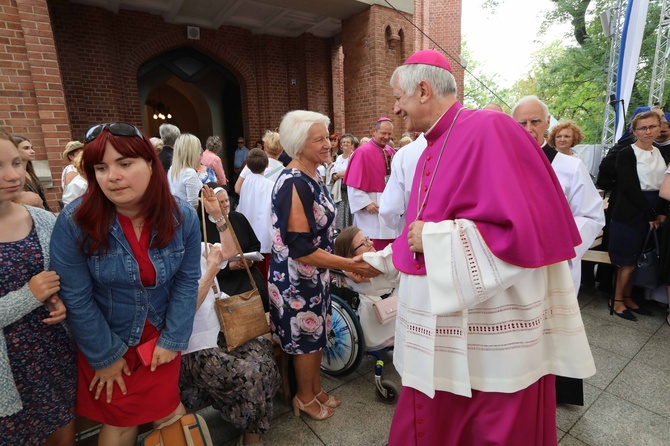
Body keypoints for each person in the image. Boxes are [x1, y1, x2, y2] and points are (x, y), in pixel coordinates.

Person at [361, 49, 594, 445]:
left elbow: (527, 228)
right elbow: (420, 227)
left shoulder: (492, 128)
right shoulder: (425, 150)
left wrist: (435, 239)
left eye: (398, 98)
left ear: (422, 90)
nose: (396, 110)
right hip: (444, 330)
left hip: (483, 338)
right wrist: (380, 260)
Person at [50, 122, 202, 446]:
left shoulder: (182, 217)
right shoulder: (75, 222)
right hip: (106, 338)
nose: (112, 176)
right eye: (101, 167)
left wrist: (173, 339)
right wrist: (104, 356)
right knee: (119, 423)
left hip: (160, 338)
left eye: (124, 163)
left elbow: (187, 281)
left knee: (170, 413)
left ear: (150, 163)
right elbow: (76, 297)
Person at [269, 110, 378, 421]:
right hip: (296, 279)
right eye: (318, 139)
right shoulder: (294, 182)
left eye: (326, 137)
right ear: (299, 145)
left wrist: (338, 268)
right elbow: (301, 248)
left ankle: (315, 389)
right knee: (305, 340)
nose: (328, 144)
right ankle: (304, 397)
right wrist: (346, 263)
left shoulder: (312, 174)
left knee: (317, 335)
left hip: (315, 275)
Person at [181, 185, 279, 446]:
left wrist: (218, 216)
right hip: (196, 347)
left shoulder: (198, 248)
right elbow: (185, 310)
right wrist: (212, 270)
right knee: (252, 374)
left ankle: (249, 431)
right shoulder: (171, 261)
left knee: (266, 360)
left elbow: (232, 250)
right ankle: (250, 435)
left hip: (223, 332)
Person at [0, 129, 77, 445]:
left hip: (52, 355)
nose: (12, 174)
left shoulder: (42, 220)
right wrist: (29, 296)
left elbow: (65, 278)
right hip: (8, 369)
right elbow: (34, 288)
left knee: (63, 436)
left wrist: (60, 300)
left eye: (17, 163)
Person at [512, 96, 604, 296]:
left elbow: (591, 216)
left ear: (547, 121)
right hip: (514, 264)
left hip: (556, 262)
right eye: (522, 123)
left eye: (535, 121)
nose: (528, 129)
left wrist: (561, 244)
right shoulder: (503, 165)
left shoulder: (571, 167)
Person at [608, 110, 669, 320]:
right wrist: (651, 213)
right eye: (642, 128)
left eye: (652, 126)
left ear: (659, 127)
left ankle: (628, 296)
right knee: (627, 260)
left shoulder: (661, 152)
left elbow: (664, 185)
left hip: (653, 207)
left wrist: (661, 212)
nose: (648, 131)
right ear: (634, 131)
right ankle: (616, 301)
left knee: (640, 257)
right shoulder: (627, 153)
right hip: (631, 210)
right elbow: (629, 187)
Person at [199, 185, 269, 311]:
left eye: (227, 200)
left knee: (260, 293)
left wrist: (250, 260)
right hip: (223, 279)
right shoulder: (202, 229)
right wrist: (230, 267)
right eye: (221, 202)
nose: (226, 204)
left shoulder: (238, 218)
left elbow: (255, 244)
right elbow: (204, 266)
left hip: (247, 272)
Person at [333, 226, 395, 351]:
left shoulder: (363, 266)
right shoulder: (358, 271)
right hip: (377, 312)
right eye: (364, 243)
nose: (371, 243)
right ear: (351, 255)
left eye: (367, 239)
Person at [343, 117, 398, 251]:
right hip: (370, 209)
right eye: (383, 133)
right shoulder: (362, 152)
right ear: (374, 131)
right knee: (370, 246)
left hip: (388, 207)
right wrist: (365, 203)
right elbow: (352, 184)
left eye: (389, 134)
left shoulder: (391, 152)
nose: (386, 137)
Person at [237, 148, 274, 281]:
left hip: (248, 235)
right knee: (265, 277)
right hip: (264, 236)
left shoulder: (246, 182)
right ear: (267, 164)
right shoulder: (270, 185)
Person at [379, 133, 427, 234]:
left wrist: (397, 224)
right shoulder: (459, 144)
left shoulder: (405, 153)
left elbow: (389, 209)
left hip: (412, 229)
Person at [13, 136, 51, 211]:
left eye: (31, 148)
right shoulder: (14, 175)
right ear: (14, 150)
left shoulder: (29, 171)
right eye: (26, 148)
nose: (32, 151)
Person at [168, 133, 204, 208]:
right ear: (192, 152)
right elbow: (193, 205)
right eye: (198, 150)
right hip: (189, 217)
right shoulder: (189, 173)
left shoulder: (173, 168)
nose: (199, 153)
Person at [329, 133, 356, 230]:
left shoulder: (354, 156)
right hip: (340, 190)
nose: (345, 144)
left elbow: (352, 171)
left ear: (352, 145)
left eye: (348, 142)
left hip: (349, 188)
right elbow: (334, 170)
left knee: (349, 212)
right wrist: (335, 175)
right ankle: (341, 230)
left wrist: (338, 175)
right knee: (341, 210)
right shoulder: (339, 157)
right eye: (343, 142)